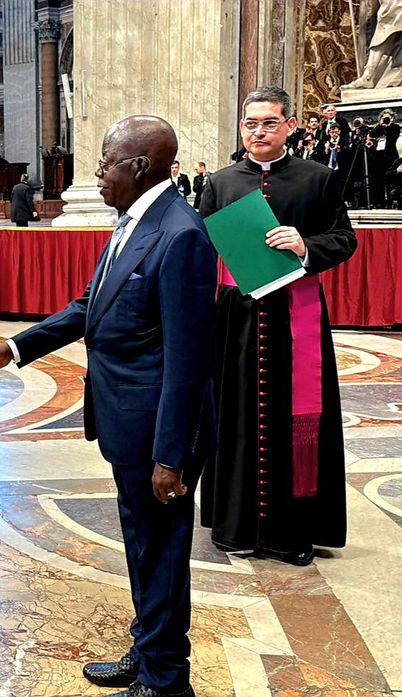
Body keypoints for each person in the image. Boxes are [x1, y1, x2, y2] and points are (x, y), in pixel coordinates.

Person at [0, 115, 217, 697]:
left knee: (160, 550)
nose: (99, 174)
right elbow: (91, 306)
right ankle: (148, 647)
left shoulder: (180, 235)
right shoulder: (135, 221)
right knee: (142, 543)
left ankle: (166, 681)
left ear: (136, 167)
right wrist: (13, 348)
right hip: (126, 426)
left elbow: (188, 362)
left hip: (155, 436)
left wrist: (172, 456)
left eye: (106, 163)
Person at [199, 86, 357, 566]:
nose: (259, 131)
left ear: (289, 125)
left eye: (269, 122)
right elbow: (202, 249)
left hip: (297, 318)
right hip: (238, 319)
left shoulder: (318, 178)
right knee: (236, 416)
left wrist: (305, 246)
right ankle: (235, 526)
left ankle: (294, 531)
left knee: (297, 420)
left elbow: (345, 240)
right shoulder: (221, 183)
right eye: (251, 123)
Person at [366, 108, 401, 206]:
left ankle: (390, 201)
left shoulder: (395, 127)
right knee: (378, 179)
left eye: (388, 117)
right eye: (383, 117)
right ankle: (379, 201)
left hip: (390, 156)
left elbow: (393, 137)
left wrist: (388, 126)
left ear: (393, 118)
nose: (385, 119)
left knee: (390, 179)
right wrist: (380, 125)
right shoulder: (379, 128)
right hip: (378, 156)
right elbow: (371, 135)